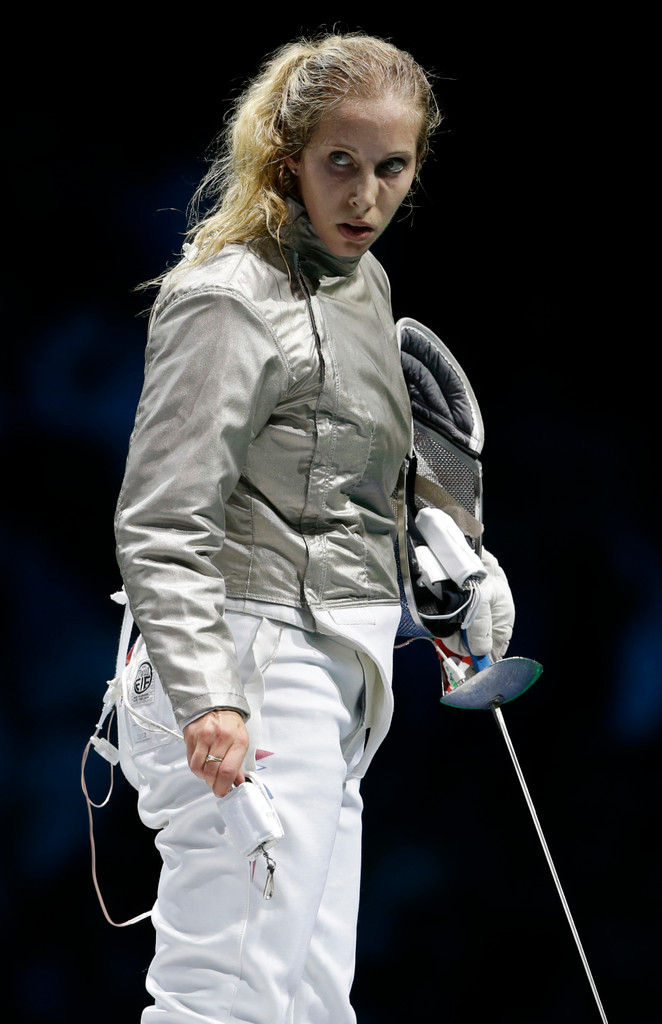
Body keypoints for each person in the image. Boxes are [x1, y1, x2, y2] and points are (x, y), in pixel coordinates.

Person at [114, 31, 511, 1024]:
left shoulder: (363, 290)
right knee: (229, 1001)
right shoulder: (227, 299)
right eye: (341, 162)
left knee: (306, 1005)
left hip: (333, 671)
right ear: (289, 156)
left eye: (391, 167)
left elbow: (337, 492)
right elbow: (164, 517)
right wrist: (210, 696)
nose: (365, 194)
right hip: (244, 662)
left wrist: (444, 564)